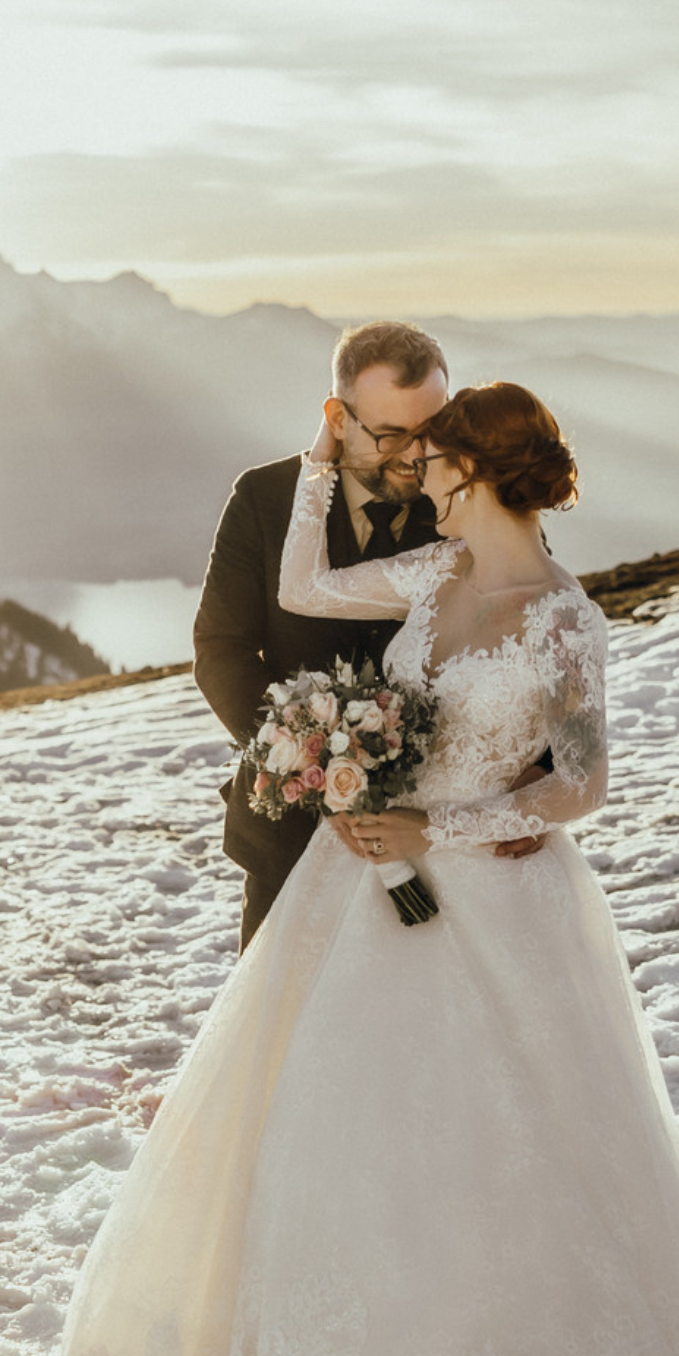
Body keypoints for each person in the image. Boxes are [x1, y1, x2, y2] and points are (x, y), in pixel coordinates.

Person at [54, 381, 679, 1356]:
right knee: (335, 1123)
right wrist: (313, 466)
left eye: (435, 465)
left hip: (498, 901)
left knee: (494, 1138)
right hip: (355, 887)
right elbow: (301, 583)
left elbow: (580, 783)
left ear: (483, 473)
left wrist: (432, 832)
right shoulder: (431, 574)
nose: (417, 482)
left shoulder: (560, 616)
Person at [192, 322, 540, 952]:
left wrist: (529, 776)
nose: (413, 455)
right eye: (389, 435)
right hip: (291, 832)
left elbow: (529, 639)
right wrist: (310, 764)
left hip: (446, 836)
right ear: (338, 417)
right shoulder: (264, 500)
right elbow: (222, 652)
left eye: (430, 430)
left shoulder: (476, 504)